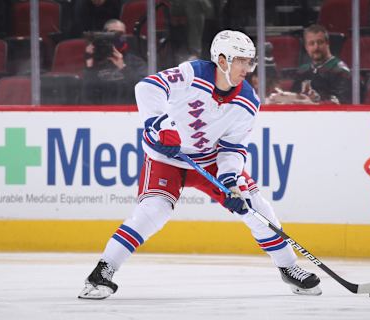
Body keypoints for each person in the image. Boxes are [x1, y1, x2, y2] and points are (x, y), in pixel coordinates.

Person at [78, 30, 321, 299]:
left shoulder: (248, 102)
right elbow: (147, 87)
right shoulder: (191, 74)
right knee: (153, 211)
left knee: (255, 207)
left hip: (210, 161)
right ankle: (103, 270)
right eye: (241, 60)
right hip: (166, 157)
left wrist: (230, 180)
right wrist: (162, 126)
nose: (247, 68)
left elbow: (233, 148)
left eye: (250, 61)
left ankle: (289, 268)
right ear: (222, 60)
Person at [81, 19, 147, 104]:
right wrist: (89, 67)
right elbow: (86, 97)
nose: (117, 37)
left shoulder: (136, 62)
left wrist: (123, 68)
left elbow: (145, 89)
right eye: (113, 33)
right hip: (100, 113)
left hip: (129, 113)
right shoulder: (95, 63)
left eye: (121, 34)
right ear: (104, 35)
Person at [291, 24, 352, 104]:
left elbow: (342, 103)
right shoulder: (302, 70)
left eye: (320, 42)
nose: (316, 47)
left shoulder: (341, 71)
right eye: (311, 43)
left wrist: (313, 104)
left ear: (327, 43)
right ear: (306, 47)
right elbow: (295, 96)